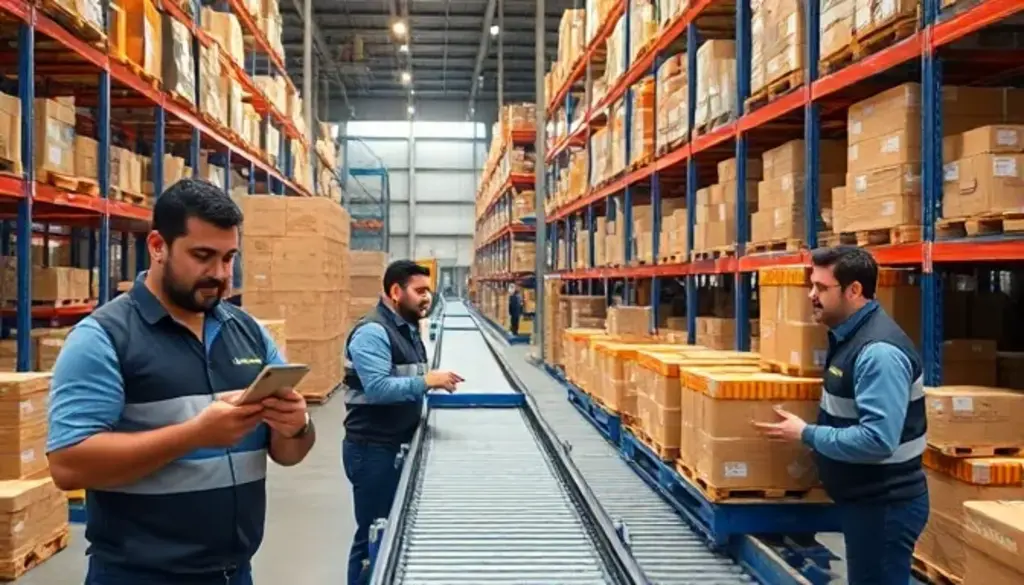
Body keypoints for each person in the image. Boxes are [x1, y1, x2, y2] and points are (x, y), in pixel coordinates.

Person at [46, 179, 316, 585]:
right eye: (202, 256)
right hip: (139, 576)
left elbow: (290, 454)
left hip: (233, 573)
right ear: (158, 246)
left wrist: (297, 425)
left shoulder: (248, 332)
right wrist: (194, 435)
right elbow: (68, 465)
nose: (220, 274)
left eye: (229, 258)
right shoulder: (104, 338)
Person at [755, 245, 928, 585]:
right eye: (812, 285)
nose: (811, 295)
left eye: (821, 288)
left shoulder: (878, 353)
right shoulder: (849, 337)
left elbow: (878, 440)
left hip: (885, 505)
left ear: (854, 290)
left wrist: (808, 434)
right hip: (868, 501)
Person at [342, 260, 464, 585]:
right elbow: (379, 388)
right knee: (373, 535)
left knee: (391, 531)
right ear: (396, 291)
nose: (428, 297)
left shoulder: (406, 329)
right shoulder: (373, 332)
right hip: (372, 449)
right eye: (420, 290)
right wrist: (427, 382)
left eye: (429, 290)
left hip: (394, 443)